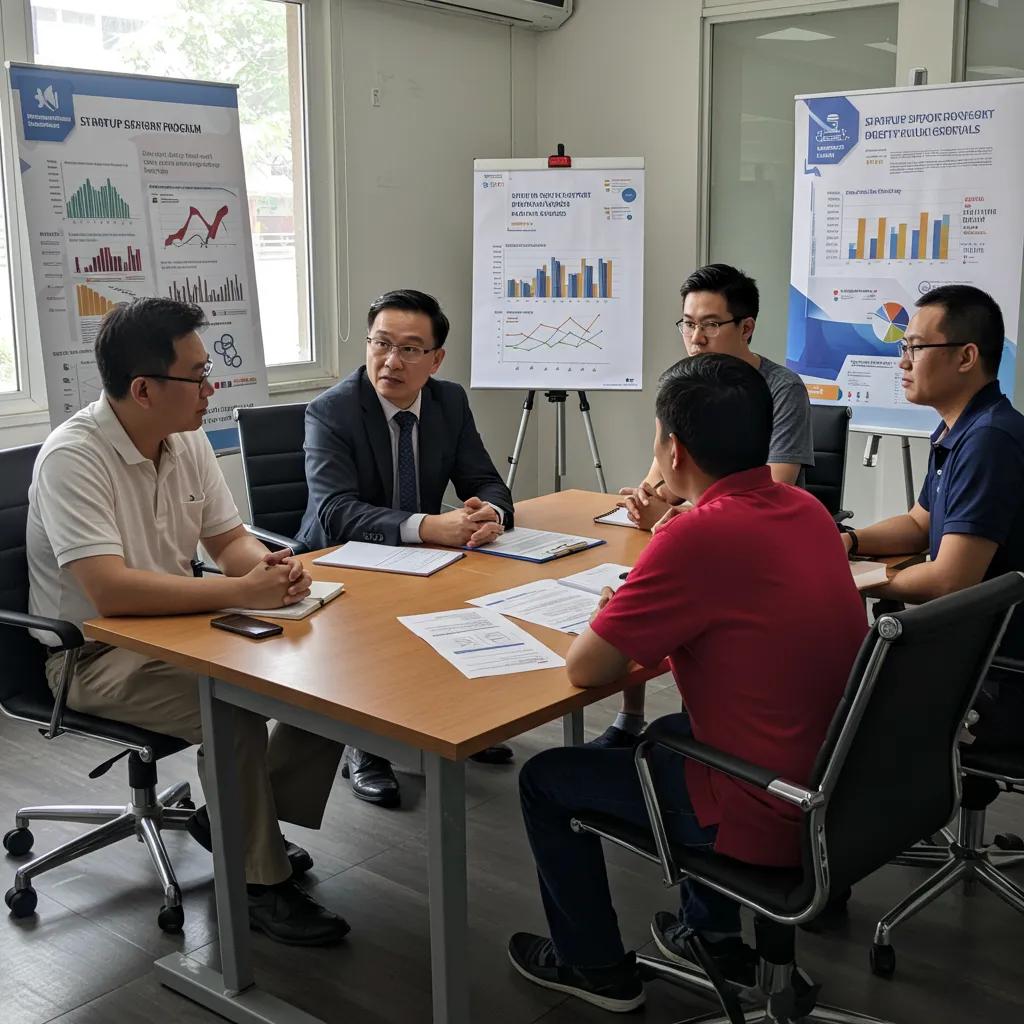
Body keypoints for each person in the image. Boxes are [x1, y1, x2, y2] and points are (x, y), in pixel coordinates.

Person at [507, 353, 866, 1012]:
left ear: (672, 450)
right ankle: (712, 931)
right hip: (843, 784)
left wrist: (619, 610)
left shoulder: (699, 536)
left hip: (770, 806)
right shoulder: (807, 511)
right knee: (672, 734)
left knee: (545, 779)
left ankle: (595, 969)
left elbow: (586, 667)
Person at [26, 298, 349, 947]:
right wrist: (240, 591)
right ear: (144, 389)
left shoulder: (187, 439)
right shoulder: (73, 458)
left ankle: (234, 824)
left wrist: (272, 573)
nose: (211, 388)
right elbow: (108, 590)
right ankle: (258, 883)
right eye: (198, 376)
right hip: (91, 655)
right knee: (226, 705)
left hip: (180, 630)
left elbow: (230, 541)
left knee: (334, 674)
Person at [296, 288, 516, 806]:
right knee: (374, 626)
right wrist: (426, 527)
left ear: (436, 359)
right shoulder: (332, 411)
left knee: (484, 595)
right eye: (381, 343)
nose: (391, 361)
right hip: (338, 559)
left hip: (422, 556)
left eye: (410, 349)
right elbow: (334, 511)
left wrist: (490, 512)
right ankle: (365, 748)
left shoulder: (449, 400)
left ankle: (462, 721)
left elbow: (486, 480)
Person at [591, 263, 815, 749]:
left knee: (647, 597)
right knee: (641, 576)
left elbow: (770, 484)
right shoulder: (685, 382)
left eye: (710, 323)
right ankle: (631, 715)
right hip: (705, 524)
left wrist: (680, 515)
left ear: (746, 327)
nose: (696, 335)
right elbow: (667, 474)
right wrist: (648, 495)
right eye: (688, 323)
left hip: (750, 537)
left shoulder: (779, 389)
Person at [841, 284, 1024, 759]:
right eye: (903, 348)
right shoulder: (959, 428)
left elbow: (949, 579)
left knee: (827, 689)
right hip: (974, 647)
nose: (902, 362)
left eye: (915, 348)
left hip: (999, 672)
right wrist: (849, 541)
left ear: (966, 357)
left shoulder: (990, 441)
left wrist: (854, 580)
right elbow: (919, 523)